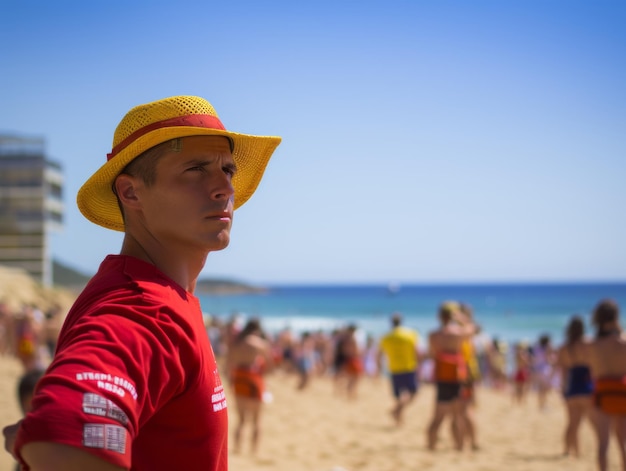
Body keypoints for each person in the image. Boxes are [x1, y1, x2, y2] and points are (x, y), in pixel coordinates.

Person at [2, 95, 281, 471]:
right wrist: (44, 441)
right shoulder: (145, 308)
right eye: (196, 169)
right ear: (131, 192)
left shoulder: (155, 294)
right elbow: (61, 437)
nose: (224, 188)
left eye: (227, 170)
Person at [426, 301, 477, 451]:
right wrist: (462, 318)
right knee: (458, 415)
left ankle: (431, 446)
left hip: (442, 375)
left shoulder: (433, 335)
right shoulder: (459, 333)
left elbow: (432, 353)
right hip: (457, 376)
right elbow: (472, 328)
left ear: (439, 316)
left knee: (438, 416)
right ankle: (459, 447)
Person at [587, 299, 626, 471]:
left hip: (602, 391)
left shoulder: (592, 345)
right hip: (622, 390)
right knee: (623, 442)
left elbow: (592, 372)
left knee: (603, 443)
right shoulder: (623, 342)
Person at [226, 317, 274, 454]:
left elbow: (229, 364)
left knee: (241, 420)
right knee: (257, 420)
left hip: (238, 378)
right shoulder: (259, 344)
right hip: (253, 378)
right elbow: (270, 365)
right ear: (257, 330)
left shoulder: (236, 343)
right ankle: (253, 452)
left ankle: (237, 449)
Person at [556, 315, 594, 458]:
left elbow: (563, 371)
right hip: (586, 384)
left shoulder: (564, 347)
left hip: (572, 386)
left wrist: (563, 389)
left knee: (572, 423)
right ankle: (577, 452)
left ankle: (568, 450)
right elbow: (595, 367)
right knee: (589, 422)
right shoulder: (589, 344)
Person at [377, 312, 420, 426]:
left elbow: (379, 355)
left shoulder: (386, 337)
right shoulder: (410, 334)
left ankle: (398, 417)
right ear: (401, 321)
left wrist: (378, 368)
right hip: (409, 367)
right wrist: (420, 365)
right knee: (412, 393)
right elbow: (416, 352)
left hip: (394, 368)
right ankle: (397, 412)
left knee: (399, 395)